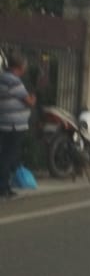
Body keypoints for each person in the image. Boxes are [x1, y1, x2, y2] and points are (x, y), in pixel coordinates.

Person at [0, 51, 36, 198]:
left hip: (3, 123)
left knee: (5, 155)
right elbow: (29, 101)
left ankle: (5, 184)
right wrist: (33, 98)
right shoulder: (14, 81)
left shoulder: (2, 78)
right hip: (14, 125)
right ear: (20, 66)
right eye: (25, 66)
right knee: (8, 156)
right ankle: (3, 187)